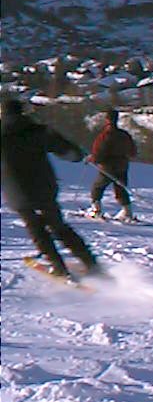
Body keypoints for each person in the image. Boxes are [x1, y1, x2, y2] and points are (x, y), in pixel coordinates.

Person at [1, 97, 99, 278]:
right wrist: (79, 155)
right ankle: (91, 263)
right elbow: (69, 151)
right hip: (44, 187)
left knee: (36, 229)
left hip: (18, 192)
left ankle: (58, 266)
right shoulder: (38, 130)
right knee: (59, 226)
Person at [87, 109, 137, 220]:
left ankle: (96, 211)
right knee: (121, 188)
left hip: (108, 167)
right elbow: (133, 152)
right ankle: (127, 213)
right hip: (123, 165)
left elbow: (99, 152)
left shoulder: (105, 135)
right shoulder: (124, 135)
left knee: (97, 188)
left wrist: (93, 159)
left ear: (106, 120)